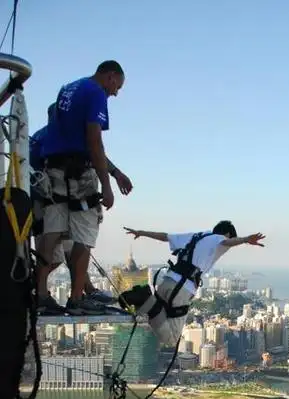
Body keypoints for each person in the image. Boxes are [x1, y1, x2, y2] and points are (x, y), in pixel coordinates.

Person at [36, 61, 133, 315]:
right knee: (84, 235)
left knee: (53, 232)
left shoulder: (68, 89)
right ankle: (77, 298)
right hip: (80, 174)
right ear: (110, 77)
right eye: (117, 86)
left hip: (54, 171)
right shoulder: (95, 93)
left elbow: (73, 137)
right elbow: (93, 142)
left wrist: (115, 171)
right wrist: (107, 184)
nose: (115, 93)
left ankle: (41, 295)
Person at [30, 105, 118, 314]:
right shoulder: (70, 136)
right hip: (60, 201)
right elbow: (95, 154)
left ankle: (47, 293)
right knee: (78, 242)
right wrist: (112, 178)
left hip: (46, 202)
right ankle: (72, 295)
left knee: (66, 246)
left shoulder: (41, 138)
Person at [119, 222, 265, 346]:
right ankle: (145, 298)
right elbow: (228, 242)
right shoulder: (220, 239)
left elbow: (166, 236)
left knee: (158, 316)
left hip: (167, 281)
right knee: (171, 339)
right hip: (182, 288)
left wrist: (142, 232)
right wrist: (245, 239)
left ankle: (144, 300)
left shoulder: (197, 236)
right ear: (227, 233)